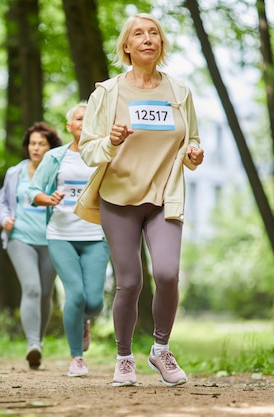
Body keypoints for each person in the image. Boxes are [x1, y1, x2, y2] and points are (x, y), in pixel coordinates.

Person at [75, 13, 205, 387]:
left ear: (161, 44)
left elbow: (191, 139)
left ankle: (161, 349)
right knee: (129, 281)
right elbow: (88, 150)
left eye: (154, 33)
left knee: (166, 273)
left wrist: (194, 154)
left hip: (164, 196)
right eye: (138, 34)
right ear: (127, 46)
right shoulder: (108, 93)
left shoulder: (179, 91)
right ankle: (124, 357)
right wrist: (112, 141)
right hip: (119, 198)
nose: (147, 38)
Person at [28, 103, 110, 377]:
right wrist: (47, 198)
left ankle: (84, 320)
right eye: (78, 118)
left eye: (88, 119)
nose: (83, 122)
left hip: (96, 236)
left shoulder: (104, 155)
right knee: (75, 295)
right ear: (69, 126)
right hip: (61, 235)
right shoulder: (55, 158)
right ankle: (77, 358)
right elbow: (33, 190)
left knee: (95, 302)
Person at [0, 122, 63, 370]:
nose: (35, 148)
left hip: (51, 238)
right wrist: (4, 219)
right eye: (32, 143)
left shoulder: (58, 172)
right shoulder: (15, 172)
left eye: (41, 144)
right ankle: (32, 344)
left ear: (50, 147)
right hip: (20, 238)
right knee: (32, 288)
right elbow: (1, 201)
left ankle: (39, 341)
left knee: (45, 294)